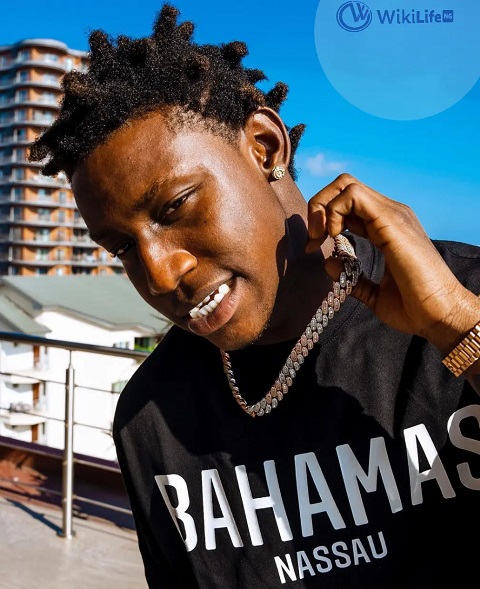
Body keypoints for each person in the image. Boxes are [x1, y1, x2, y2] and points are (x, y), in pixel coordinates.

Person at [29, 4, 480, 588]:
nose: (159, 275)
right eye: (122, 248)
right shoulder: (151, 419)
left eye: (175, 207)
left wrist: (455, 324)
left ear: (265, 148)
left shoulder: (465, 292)